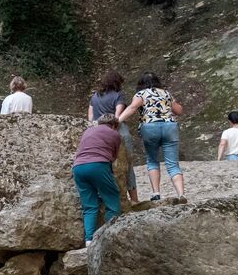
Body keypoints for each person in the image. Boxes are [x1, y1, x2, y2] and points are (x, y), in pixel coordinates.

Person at [118, 71, 185, 201]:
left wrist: (117, 120)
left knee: (153, 160)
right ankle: (181, 194)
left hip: (150, 127)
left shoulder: (141, 94)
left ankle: (156, 193)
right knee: (173, 164)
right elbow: (179, 111)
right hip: (169, 126)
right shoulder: (166, 93)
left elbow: (132, 108)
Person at [87, 69, 138, 203]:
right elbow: (118, 115)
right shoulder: (118, 95)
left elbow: (91, 117)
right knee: (127, 165)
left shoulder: (94, 96)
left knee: (106, 163)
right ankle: (134, 198)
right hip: (118, 131)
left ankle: (110, 197)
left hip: (99, 132)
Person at [73, 114, 123, 244]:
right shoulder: (114, 134)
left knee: (89, 207)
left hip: (78, 167)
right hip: (98, 165)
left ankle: (89, 240)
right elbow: (113, 157)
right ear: (114, 125)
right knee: (112, 200)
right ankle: (108, 236)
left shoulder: (88, 130)